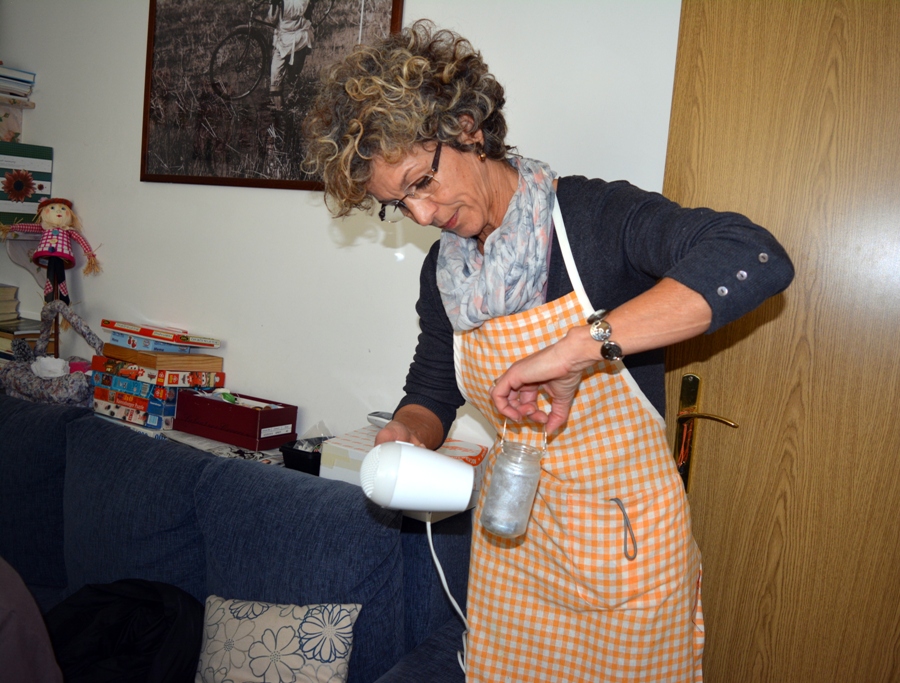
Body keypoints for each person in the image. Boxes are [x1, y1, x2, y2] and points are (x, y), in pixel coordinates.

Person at [304, 20, 794, 682]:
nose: (421, 216)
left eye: (421, 182)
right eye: (398, 204)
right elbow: (432, 392)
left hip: (628, 559)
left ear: (468, 129)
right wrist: (408, 433)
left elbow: (754, 256)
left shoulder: (592, 222)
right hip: (513, 553)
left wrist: (583, 344)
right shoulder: (445, 273)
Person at [267, 0, 314, 110]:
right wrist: (274, 5)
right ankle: (280, 109)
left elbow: (306, 13)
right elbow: (273, 19)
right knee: (275, 77)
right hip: (283, 41)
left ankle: (296, 106)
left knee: (293, 78)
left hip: (299, 41)